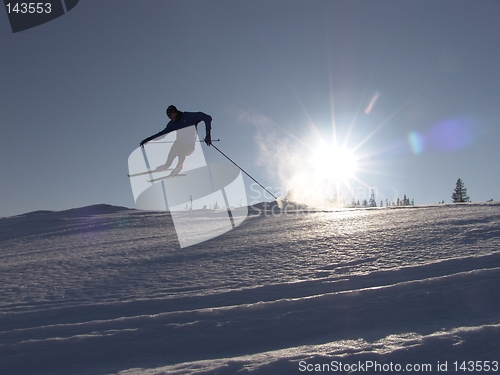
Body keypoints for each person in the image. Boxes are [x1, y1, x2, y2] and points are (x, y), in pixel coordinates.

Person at [140, 105, 212, 176]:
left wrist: (208, 134)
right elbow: (162, 134)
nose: (169, 117)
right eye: (168, 115)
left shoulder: (188, 116)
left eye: (170, 114)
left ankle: (179, 166)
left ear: (175, 112)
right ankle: (167, 165)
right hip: (179, 143)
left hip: (190, 147)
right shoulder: (172, 124)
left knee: (180, 148)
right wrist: (148, 139)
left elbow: (207, 118)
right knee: (177, 144)